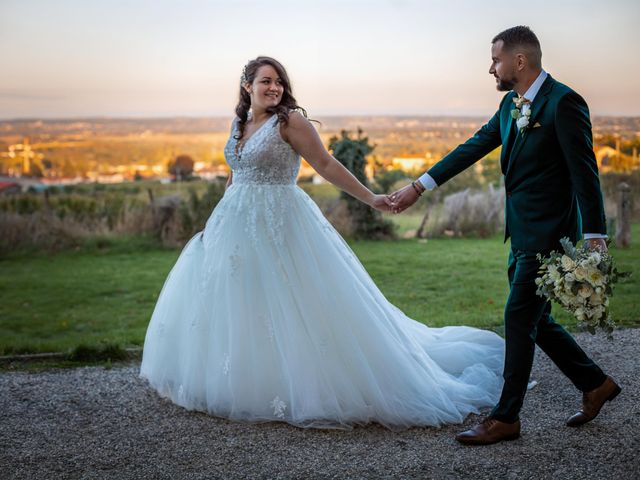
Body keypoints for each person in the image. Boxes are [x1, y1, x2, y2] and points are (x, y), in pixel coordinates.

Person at [140, 56, 506, 430]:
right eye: (266, 81)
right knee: (242, 301)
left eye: (279, 82)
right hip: (234, 226)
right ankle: (251, 379)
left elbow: (327, 165)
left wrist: (373, 199)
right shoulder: (239, 124)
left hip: (281, 222)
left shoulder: (290, 122)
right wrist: (216, 221)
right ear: (247, 85)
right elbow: (236, 175)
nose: (274, 88)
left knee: (294, 300)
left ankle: (310, 384)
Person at [390, 26, 621, 444]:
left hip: (551, 237)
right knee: (538, 321)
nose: (490, 68)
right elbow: (473, 146)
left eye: (495, 59)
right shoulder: (510, 105)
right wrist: (419, 186)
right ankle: (596, 384)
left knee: (518, 318)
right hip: (520, 233)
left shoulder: (563, 103)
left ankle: (506, 417)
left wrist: (594, 236)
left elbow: (584, 173)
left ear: (518, 61)